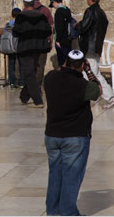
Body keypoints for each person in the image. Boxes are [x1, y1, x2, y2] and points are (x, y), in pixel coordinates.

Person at [43, 50, 101, 216]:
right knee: (71, 176)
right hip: (75, 137)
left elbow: (59, 71)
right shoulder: (83, 86)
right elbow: (98, 91)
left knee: (55, 173)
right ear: (82, 65)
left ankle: (53, 211)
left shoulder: (50, 78)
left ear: (66, 62)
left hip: (52, 136)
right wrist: (89, 71)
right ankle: (67, 212)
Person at [75, 0, 114, 108]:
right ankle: (92, 96)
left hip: (89, 47)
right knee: (87, 72)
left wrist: (78, 25)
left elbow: (84, 27)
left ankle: (110, 97)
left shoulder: (90, 11)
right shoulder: (101, 12)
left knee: (92, 73)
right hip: (96, 47)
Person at [13, 0, 52, 108]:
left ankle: (38, 100)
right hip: (38, 47)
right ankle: (24, 96)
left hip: (25, 47)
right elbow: (48, 31)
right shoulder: (41, 16)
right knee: (32, 71)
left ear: (25, 4)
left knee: (29, 73)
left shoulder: (20, 16)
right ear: (33, 4)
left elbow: (16, 32)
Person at [31, 0, 53, 86]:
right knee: (41, 64)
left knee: (31, 64)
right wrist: (51, 42)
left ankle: (30, 85)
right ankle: (38, 84)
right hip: (43, 41)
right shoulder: (46, 10)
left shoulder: (26, 10)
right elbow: (51, 27)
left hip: (30, 42)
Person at [49, 0, 73, 69]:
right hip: (68, 38)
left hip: (61, 39)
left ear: (55, 2)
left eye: (52, 4)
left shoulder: (59, 11)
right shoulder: (67, 9)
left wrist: (58, 40)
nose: (53, 6)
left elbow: (59, 27)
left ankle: (63, 78)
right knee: (68, 60)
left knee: (62, 61)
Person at [6, 8, 24, 89]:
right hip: (20, 46)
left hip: (10, 46)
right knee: (22, 65)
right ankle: (22, 83)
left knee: (11, 64)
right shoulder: (22, 24)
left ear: (11, 15)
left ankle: (12, 83)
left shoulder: (8, 24)